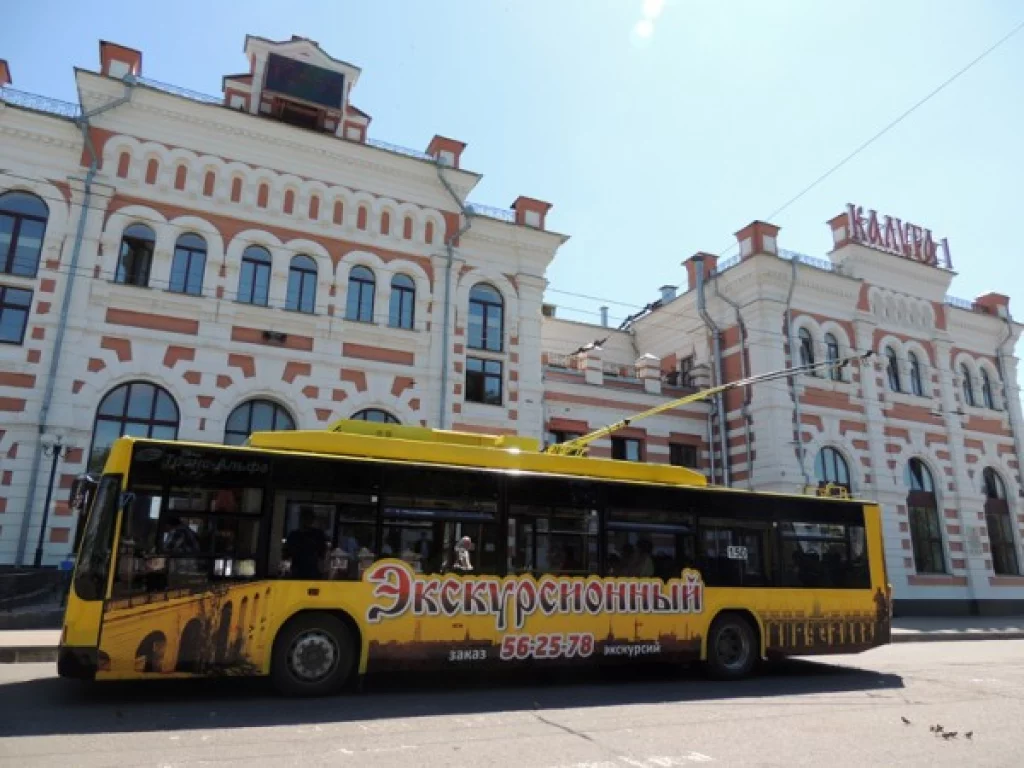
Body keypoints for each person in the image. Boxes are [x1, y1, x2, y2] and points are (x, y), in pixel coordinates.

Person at [284, 507, 328, 580]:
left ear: (312, 520)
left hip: (312, 571)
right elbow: (287, 554)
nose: (307, 521)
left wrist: (323, 570)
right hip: (297, 571)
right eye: (305, 518)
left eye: (309, 518)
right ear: (301, 519)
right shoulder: (294, 535)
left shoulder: (318, 534)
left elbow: (323, 554)